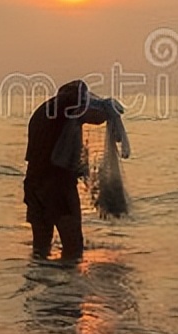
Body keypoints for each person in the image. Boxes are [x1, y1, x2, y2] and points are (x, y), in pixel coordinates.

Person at [23, 80, 118, 261]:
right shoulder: (67, 106)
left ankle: (39, 276)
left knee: (40, 247)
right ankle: (68, 277)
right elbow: (97, 117)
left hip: (33, 185)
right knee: (73, 247)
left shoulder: (43, 111)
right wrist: (110, 109)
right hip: (58, 186)